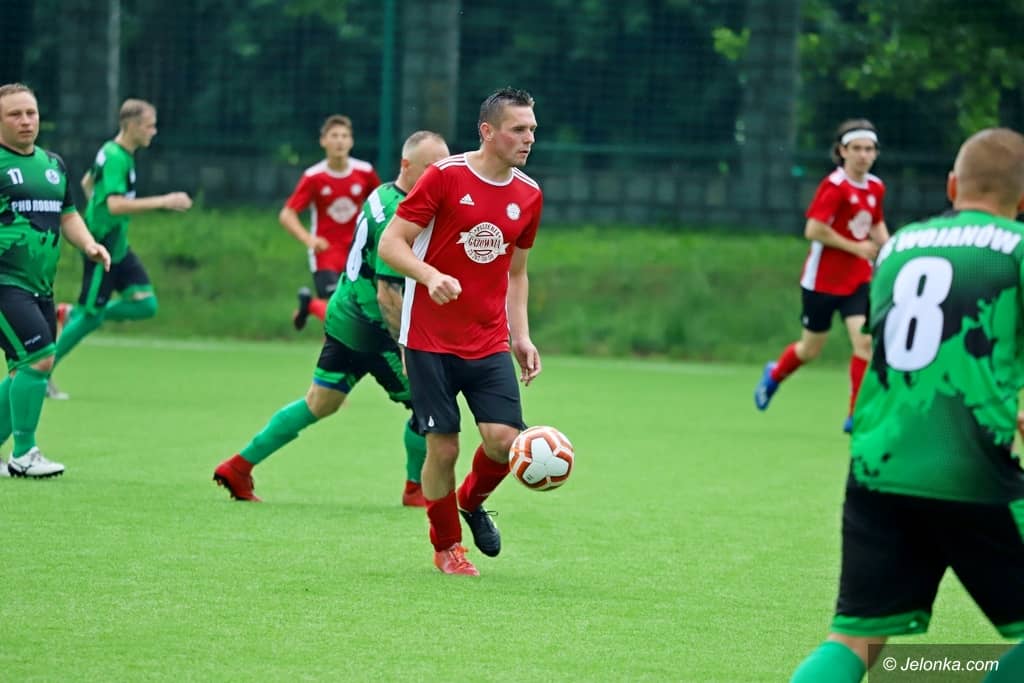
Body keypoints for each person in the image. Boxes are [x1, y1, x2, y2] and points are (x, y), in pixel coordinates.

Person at [789, 127, 1024, 682]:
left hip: (879, 465)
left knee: (854, 640)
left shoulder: (899, 247)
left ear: (951, 186)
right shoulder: (1016, 249)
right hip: (971, 468)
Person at [213, 131, 450, 504]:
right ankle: (415, 488)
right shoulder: (399, 214)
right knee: (430, 400)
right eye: (432, 169)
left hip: (343, 314)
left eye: (445, 168)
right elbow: (388, 294)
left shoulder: (382, 193)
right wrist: (409, 349)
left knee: (320, 402)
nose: (441, 176)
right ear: (407, 166)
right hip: (374, 328)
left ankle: (238, 466)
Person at [378, 87, 543, 577]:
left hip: (488, 339)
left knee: (505, 442)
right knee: (444, 447)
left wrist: (521, 335)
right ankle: (447, 545)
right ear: (487, 131)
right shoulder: (445, 177)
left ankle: (471, 501)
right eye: (518, 129)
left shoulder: (529, 194)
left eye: (532, 129)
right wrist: (429, 276)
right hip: (428, 339)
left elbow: (516, 273)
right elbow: (392, 244)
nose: (529, 138)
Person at [47, 98, 192, 400]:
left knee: (146, 305)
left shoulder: (116, 152)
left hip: (119, 246)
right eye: (150, 126)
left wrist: (94, 212)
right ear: (133, 126)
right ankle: (41, 375)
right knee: (91, 317)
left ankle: (72, 313)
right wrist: (164, 201)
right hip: (103, 248)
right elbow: (114, 204)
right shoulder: (116, 157)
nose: (154, 131)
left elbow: (88, 183)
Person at [0, 83, 111, 477]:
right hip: (5, 283)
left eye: (30, 112)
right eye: (15, 114)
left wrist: (89, 244)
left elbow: (67, 215)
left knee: (25, 369)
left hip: (39, 286)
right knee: (40, 358)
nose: (25, 121)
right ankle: (24, 454)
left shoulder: (53, 164)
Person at [754, 119, 889, 433]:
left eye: (869, 149)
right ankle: (774, 374)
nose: (863, 155)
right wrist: (856, 247)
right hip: (822, 283)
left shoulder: (875, 187)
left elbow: (875, 224)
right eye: (857, 149)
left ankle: (855, 415)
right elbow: (814, 230)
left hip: (859, 280)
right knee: (810, 349)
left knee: (864, 342)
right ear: (842, 151)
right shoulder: (834, 187)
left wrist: (893, 250)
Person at [280, 114, 381, 331]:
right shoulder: (314, 177)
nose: (339, 141)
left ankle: (310, 306)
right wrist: (309, 239)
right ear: (323, 141)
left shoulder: (364, 172)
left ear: (351, 141)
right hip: (325, 253)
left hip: (357, 250)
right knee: (339, 308)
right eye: (334, 136)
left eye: (344, 136)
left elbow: (380, 204)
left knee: (358, 308)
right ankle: (314, 307)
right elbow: (287, 214)